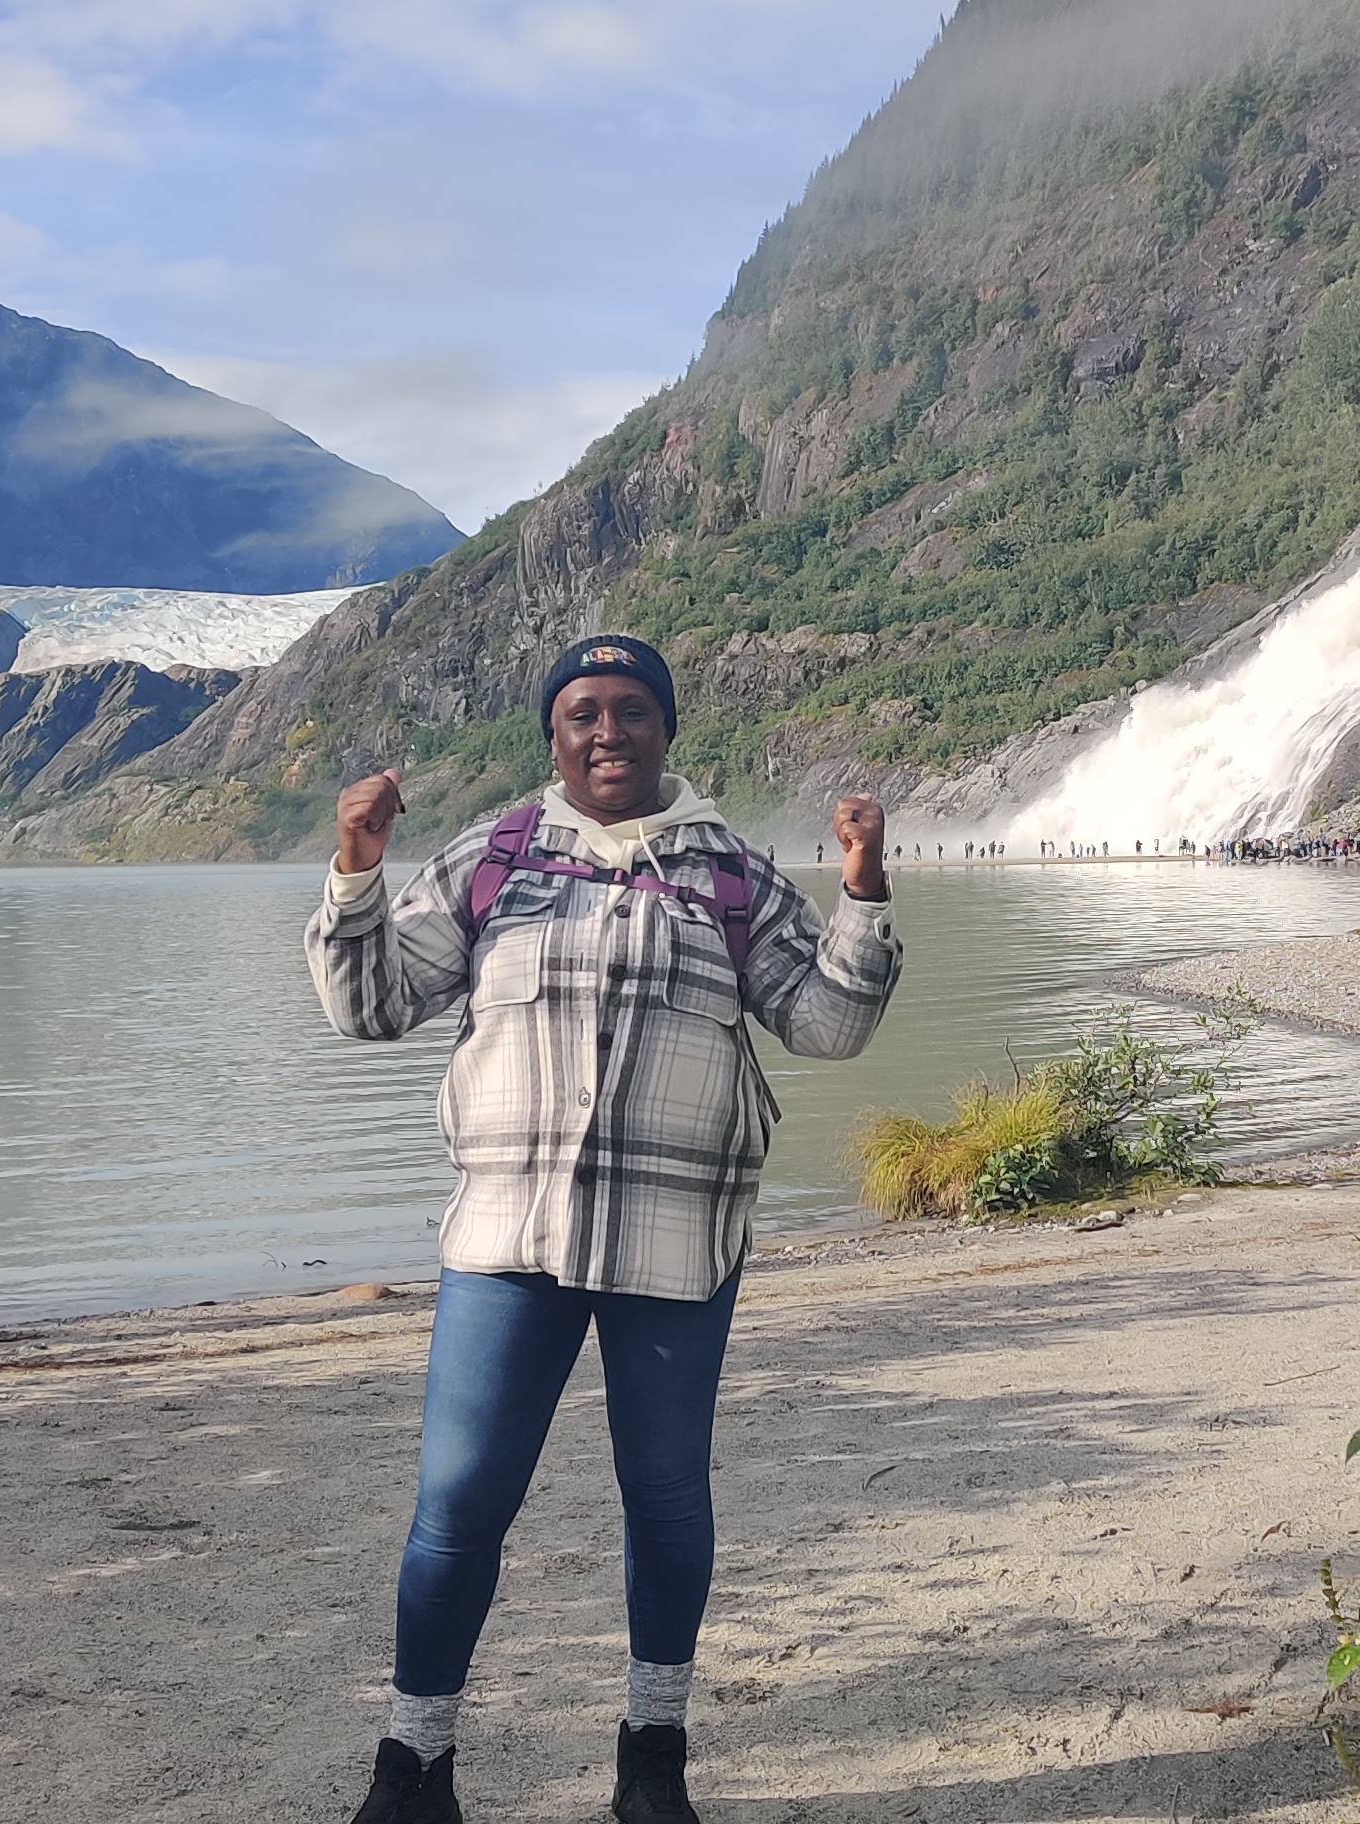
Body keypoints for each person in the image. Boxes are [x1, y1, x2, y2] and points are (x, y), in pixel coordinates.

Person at [309, 632, 900, 1824]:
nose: (607, 732)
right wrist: (356, 870)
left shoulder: (731, 875)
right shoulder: (492, 858)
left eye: (631, 709)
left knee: (665, 1496)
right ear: (553, 736)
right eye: (582, 713)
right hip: (508, 1240)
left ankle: (651, 1762)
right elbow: (371, 1007)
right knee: (458, 1502)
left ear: (667, 728)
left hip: (675, 1239)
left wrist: (863, 887)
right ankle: (413, 1769)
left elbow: (827, 1027)